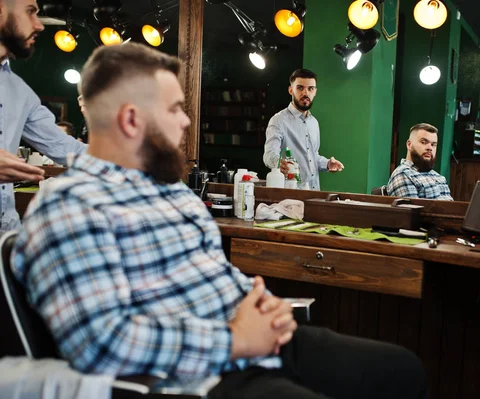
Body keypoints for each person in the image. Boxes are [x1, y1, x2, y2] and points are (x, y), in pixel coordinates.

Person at [12, 43, 427, 399]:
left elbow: (213, 276)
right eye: (175, 109)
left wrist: (264, 303)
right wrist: (234, 341)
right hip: (204, 375)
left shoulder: (170, 190)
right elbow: (100, 343)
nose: (186, 121)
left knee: (401, 370)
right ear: (131, 119)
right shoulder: (70, 206)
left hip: (262, 339)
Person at [0, 0, 86, 231]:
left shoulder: (20, 92)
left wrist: (133, 163)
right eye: (30, 12)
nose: (39, 25)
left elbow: (65, 148)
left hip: (6, 234)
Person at [263, 68, 344, 191]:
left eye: (310, 88)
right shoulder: (278, 120)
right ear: (291, 90)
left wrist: (327, 164)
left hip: (314, 193)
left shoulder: (314, 123)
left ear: (315, 92)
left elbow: (312, 156)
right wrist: (278, 163)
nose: (306, 93)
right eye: (300, 88)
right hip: (290, 195)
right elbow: (269, 155)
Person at [387, 123, 453, 200]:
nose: (430, 148)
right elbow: (413, 211)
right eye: (423, 142)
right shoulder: (403, 175)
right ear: (409, 145)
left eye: (433, 144)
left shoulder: (439, 177)